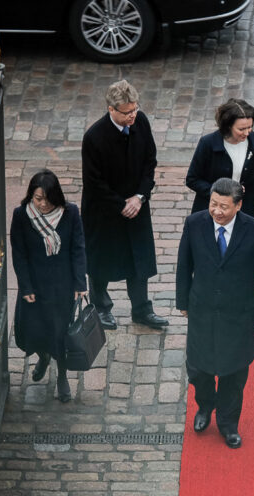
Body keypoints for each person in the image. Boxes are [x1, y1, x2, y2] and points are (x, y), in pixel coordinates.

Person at [176, 178, 254, 449]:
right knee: (198, 369)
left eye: (223, 206)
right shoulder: (195, 223)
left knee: (233, 374)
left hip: (239, 314)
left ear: (238, 205)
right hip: (202, 310)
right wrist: (182, 300)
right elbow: (184, 264)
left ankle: (228, 423)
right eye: (213, 204)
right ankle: (206, 405)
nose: (217, 211)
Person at [81, 79, 168, 331]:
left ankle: (142, 309)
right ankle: (101, 307)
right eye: (126, 112)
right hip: (104, 211)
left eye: (135, 110)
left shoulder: (141, 122)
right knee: (100, 262)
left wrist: (140, 197)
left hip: (136, 204)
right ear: (111, 109)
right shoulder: (94, 137)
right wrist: (121, 204)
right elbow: (94, 182)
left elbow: (149, 162)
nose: (132, 116)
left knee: (138, 259)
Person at [10, 170, 87, 403]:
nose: (43, 204)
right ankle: (43, 357)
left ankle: (62, 376)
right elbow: (19, 254)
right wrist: (26, 287)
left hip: (61, 287)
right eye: (38, 198)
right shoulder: (22, 215)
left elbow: (77, 248)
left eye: (47, 199)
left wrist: (79, 283)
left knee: (60, 333)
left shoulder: (70, 213)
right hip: (35, 286)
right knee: (30, 332)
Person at [186, 98, 254, 223]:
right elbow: (192, 179)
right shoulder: (208, 143)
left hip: (245, 211)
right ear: (228, 127)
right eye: (241, 129)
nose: (247, 133)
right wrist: (222, 194)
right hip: (214, 212)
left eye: (250, 127)